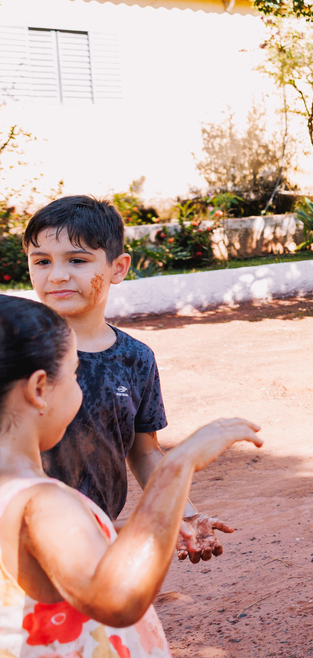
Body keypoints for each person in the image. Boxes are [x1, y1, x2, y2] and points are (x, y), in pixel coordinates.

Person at [0, 294, 261, 656]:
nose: (79, 386)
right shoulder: (44, 503)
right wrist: (178, 464)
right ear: (39, 389)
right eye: (75, 374)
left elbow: (46, 552)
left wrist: (157, 525)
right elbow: (117, 600)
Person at [23, 196, 232, 562]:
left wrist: (185, 514)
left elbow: (145, 451)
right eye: (41, 261)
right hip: (20, 541)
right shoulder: (16, 349)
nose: (56, 275)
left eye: (76, 260)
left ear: (118, 268)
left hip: (98, 540)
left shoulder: (135, 359)